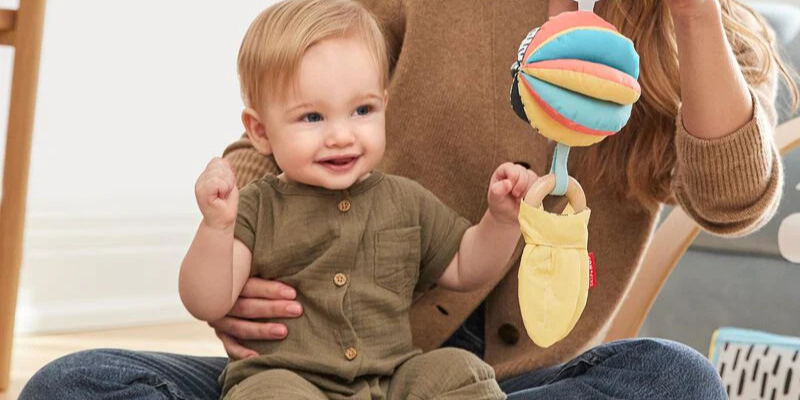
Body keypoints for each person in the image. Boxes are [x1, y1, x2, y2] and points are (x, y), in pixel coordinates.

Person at [19, 0, 798, 399]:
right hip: (310, 364)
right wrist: (241, 254)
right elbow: (298, 95)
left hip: (494, 384)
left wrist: (692, 13)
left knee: (674, 381)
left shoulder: (700, 31)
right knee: (76, 384)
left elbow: (733, 201)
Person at [179, 0, 531, 398]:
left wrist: (501, 221)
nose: (342, 136)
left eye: (362, 110)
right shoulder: (256, 207)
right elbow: (206, 301)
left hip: (390, 380)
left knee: (461, 371)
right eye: (313, 117)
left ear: (384, 105)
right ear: (260, 131)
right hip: (288, 377)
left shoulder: (406, 200)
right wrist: (216, 227)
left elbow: (468, 267)